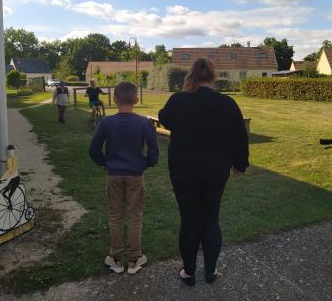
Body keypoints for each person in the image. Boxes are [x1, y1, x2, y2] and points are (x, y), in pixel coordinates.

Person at [158, 58, 249, 286]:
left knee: (189, 220)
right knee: (211, 218)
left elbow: (164, 118)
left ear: (192, 77)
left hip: (183, 169)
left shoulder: (178, 100)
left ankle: (189, 272)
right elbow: (240, 137)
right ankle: (210, 271)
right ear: (213, 77)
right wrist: (240, 164)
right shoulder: (227, 104)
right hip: (216, 170)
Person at [89, 82, 159, 275]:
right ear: (136, 100)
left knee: (116, 215)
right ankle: (135, 259)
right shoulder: (144, 123)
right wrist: (146, 164)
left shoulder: (106, 122)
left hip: (114, 175)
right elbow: (154, 151)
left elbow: (93, 149)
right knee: (135, 215)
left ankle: (116, 259)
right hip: (136, 175)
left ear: (114, 99)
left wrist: (105, 163)